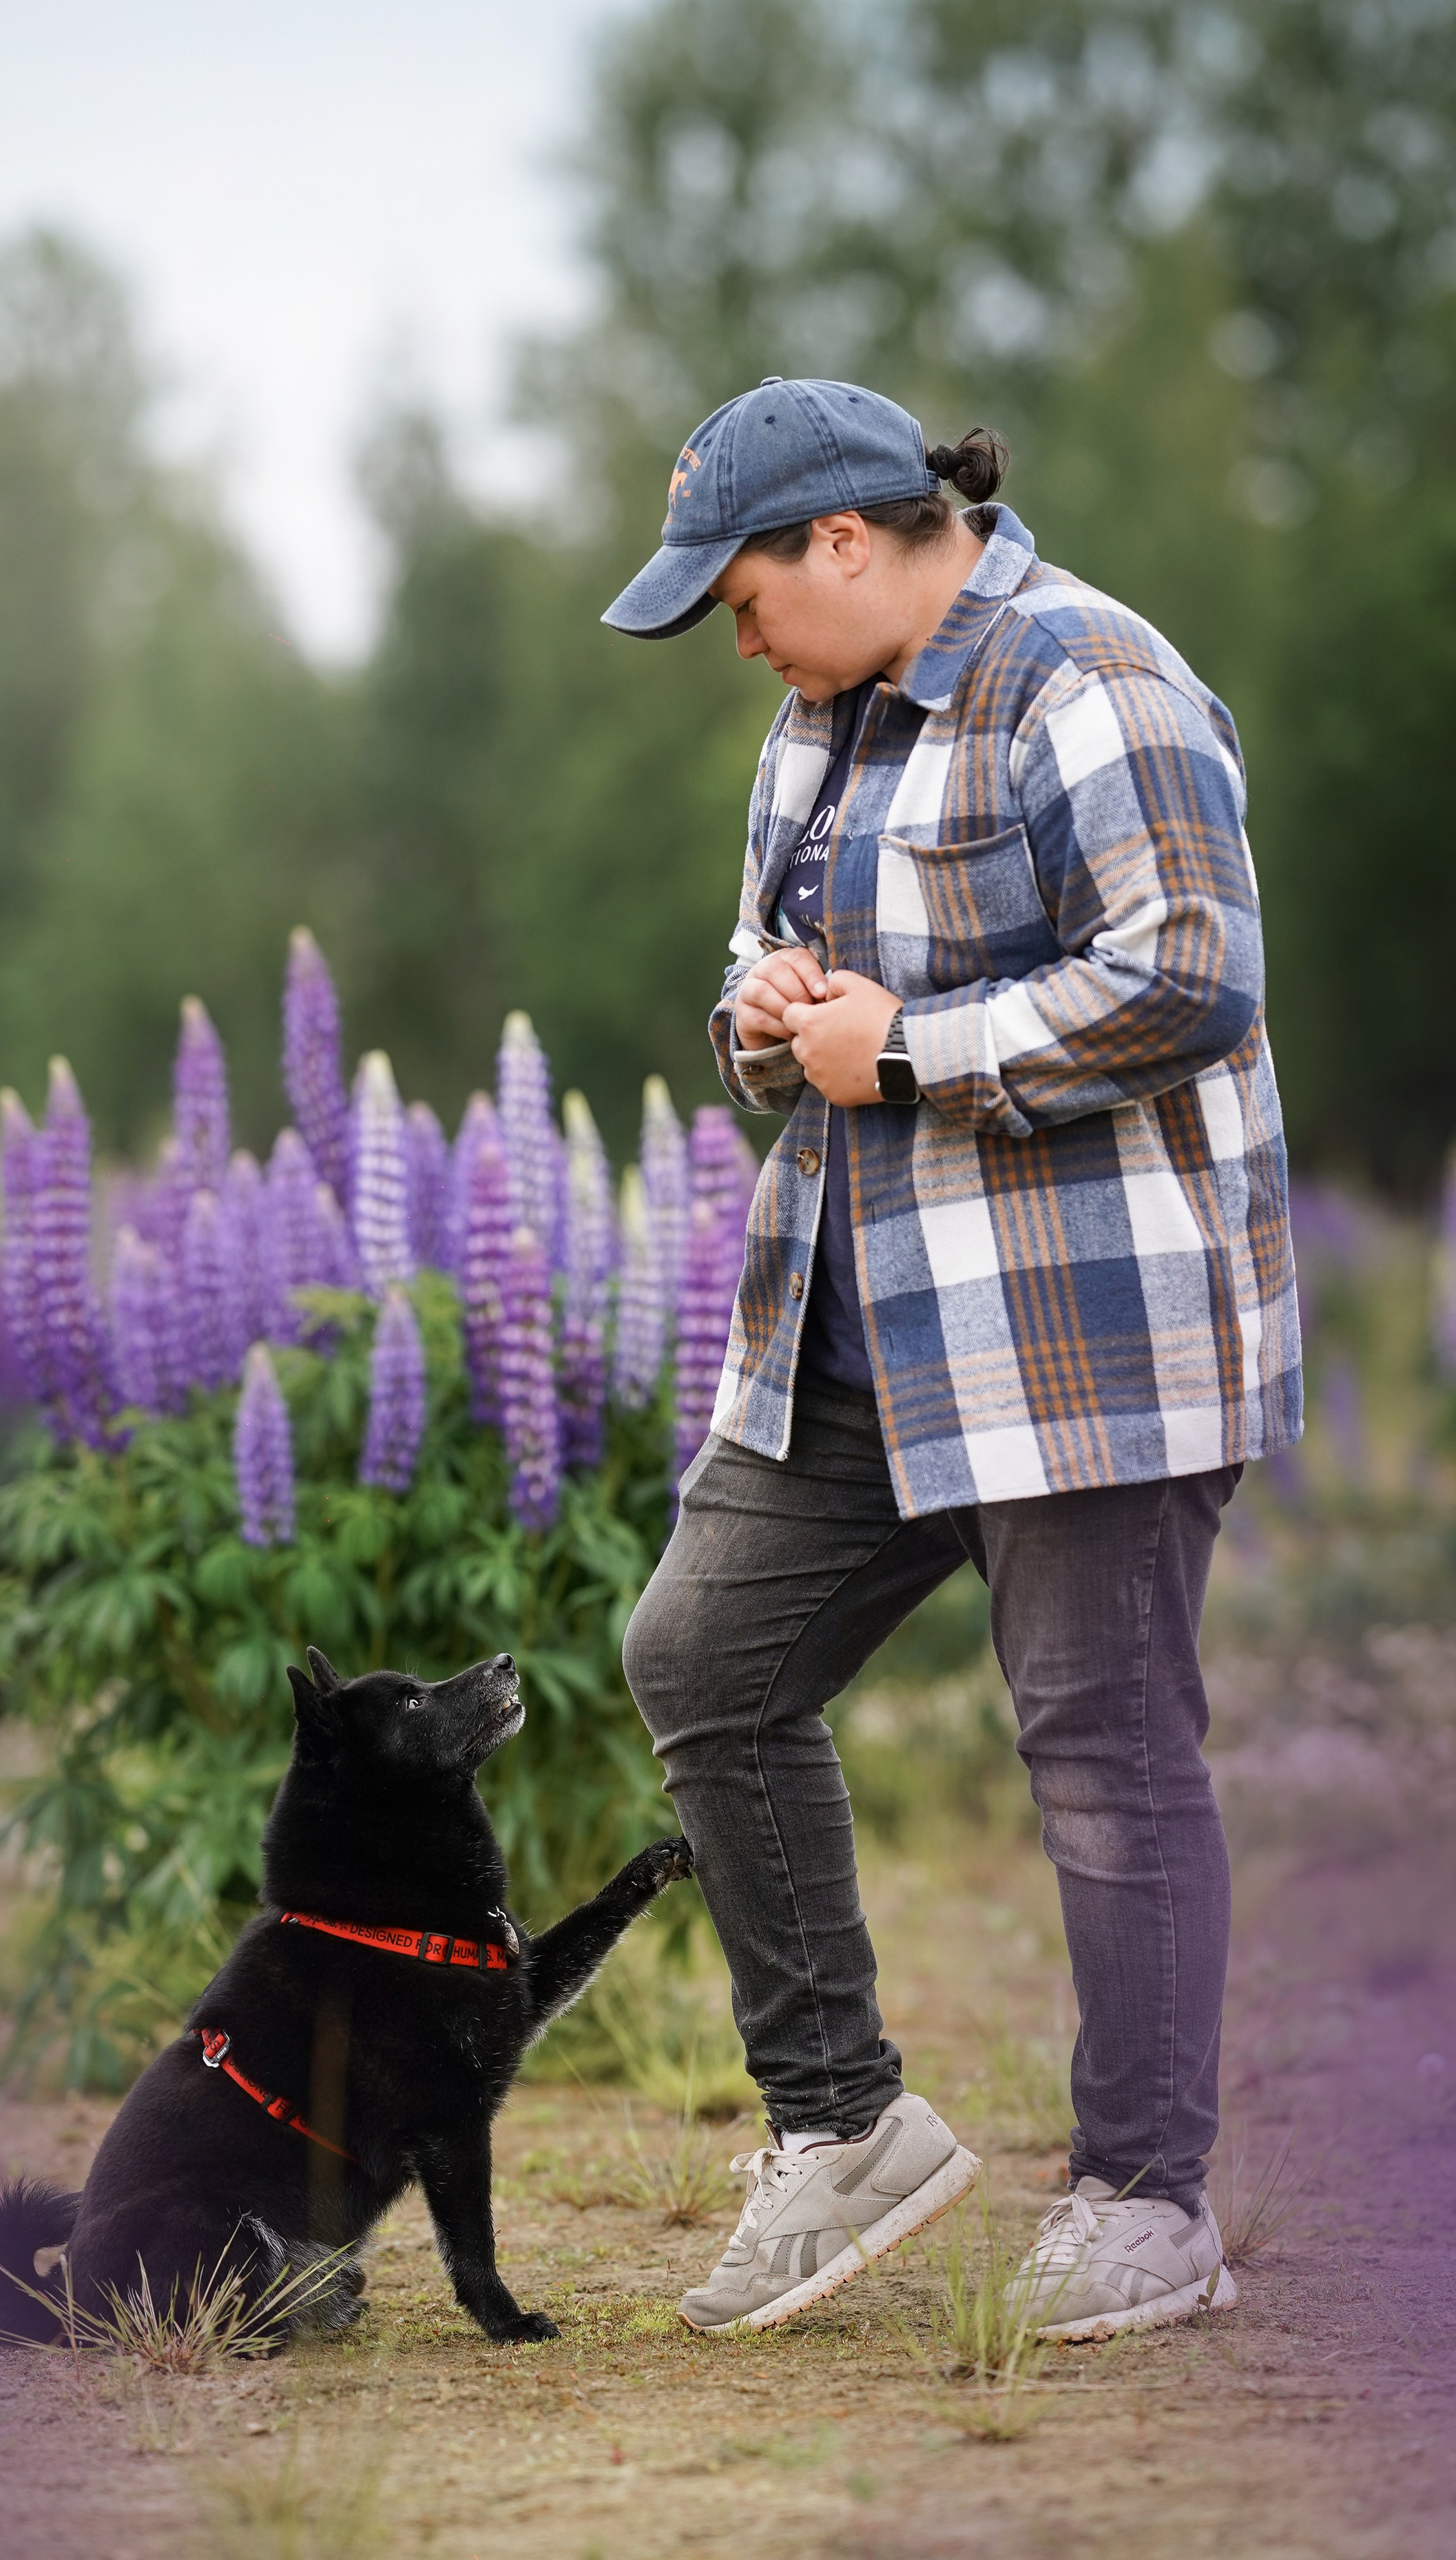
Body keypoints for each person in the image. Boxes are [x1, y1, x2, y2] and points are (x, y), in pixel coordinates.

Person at [605, 377, 1302, 2340]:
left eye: (738, 595)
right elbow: (762, 976)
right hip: (856, 1313)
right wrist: (771, 1012)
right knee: (701, 1657)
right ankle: (844, 2130)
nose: (732, 639)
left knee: (1104, 1755)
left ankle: (1150, 2201)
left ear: (847, 539)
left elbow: (1192, 971)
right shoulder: (813, 723)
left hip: (1094, 1329)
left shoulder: (1092, 673)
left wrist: (908, 1044)